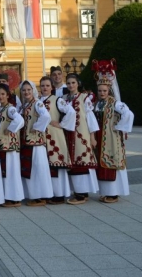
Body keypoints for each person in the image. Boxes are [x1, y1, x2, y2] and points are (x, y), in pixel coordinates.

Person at [94, 78, 134, 203]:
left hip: (111, 136)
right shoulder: (97, 103)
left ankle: (114, 192)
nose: (102, 93)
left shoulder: (115, 103)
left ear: (109, 90)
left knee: (112, 161)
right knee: (101, 163)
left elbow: (129, 114)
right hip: (99, 135)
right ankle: (105, 191)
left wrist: (119, 126)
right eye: (100, 90)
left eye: (104, 90)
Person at [64, 73, 100, 205]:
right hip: (68, 135)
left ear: (78, 83)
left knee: (81, 162)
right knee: (72, 164)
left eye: (73, 82)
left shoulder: (84, 98)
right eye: (68, 83)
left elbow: (90, 118)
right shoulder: (64, 98)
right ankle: (78, 192)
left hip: (81, 135)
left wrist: (92, 137)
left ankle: (82, 194)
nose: (71, 85)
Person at [38, 76, 75, 205]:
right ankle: (48, 193)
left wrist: (62, 124)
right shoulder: (37, 101)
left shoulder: (57, 100)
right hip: (41, 136)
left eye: (47, 85)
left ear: (51, 87)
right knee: (45, 166)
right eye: (42, 85)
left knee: (56, 164)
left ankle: (59, 194)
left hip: (54, 135)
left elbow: (71, 112)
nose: (45, 88)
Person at [19, 80, 54, 206]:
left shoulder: (37, 103)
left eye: (29, 90)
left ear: (33, 90)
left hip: (36, 143)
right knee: (30, 170)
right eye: (24, 90)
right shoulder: (24, 105)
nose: (26, 92)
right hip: (27, 143)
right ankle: (33, 195)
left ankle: (40, 196)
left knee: (38, 169)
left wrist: (37, 126)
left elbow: (46, 116)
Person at [0, 83, 25, 207]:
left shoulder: (10, 109)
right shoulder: (0, 109)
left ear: (7, 95)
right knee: (6, 171)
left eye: (3, 94)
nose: (0, 96)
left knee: (12, 171)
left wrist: (10, 129)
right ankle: (9, 197)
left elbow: (20, 120)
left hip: (10, 145)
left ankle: (15, 198)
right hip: (3, 145)